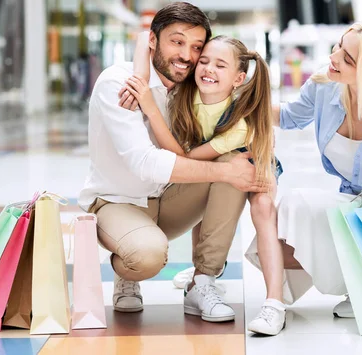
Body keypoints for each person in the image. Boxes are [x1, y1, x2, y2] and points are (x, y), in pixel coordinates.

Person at [78, 2, 267, 324]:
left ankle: (203, 281)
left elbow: (231, 105)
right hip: (117, 201)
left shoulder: (189, 86)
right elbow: (144, 163)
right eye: (176, 42)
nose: (186, 56)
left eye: (196, 47)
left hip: (168, 198)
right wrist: (225, 171)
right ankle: (127, 269)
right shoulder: (118, 83)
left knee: (232, 161)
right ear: (154, 40)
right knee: (147, 256)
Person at [245, 22, 362, 319]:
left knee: (300, 207)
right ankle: (361, 285)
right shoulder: (324, 87)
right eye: (338, 46)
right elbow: (289, 117)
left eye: (348, 58)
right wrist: (237, 104)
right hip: (355, 204)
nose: (334, 57)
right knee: (287, 217)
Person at [119, 32, 287, 336]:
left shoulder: (239, 123)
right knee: (217, 173)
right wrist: (140, 80)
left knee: (262, 207)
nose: (208, 69)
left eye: (220, 65)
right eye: (204, 61)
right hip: (217, 168)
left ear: (238, 79)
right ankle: (203, 276)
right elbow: (146, 37)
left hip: (252, 162)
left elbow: (186, 158)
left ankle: (274, 303)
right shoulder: (187, 90)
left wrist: (149, 106)